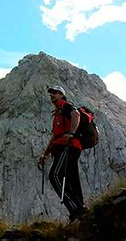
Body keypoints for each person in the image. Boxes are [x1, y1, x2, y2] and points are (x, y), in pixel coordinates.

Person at [39, 85, 86, 221]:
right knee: (72, 179)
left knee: (54, 175)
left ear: (61, 95)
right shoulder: (58, 113)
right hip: (64, 147)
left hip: (68, 146)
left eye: (55, 93)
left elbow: (76, 114)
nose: (52, 95)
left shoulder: (66, 106)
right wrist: (45, 154)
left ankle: (76, 209)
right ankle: (80, 209)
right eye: (51, 93)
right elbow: (54, 137)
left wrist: (70, 133)